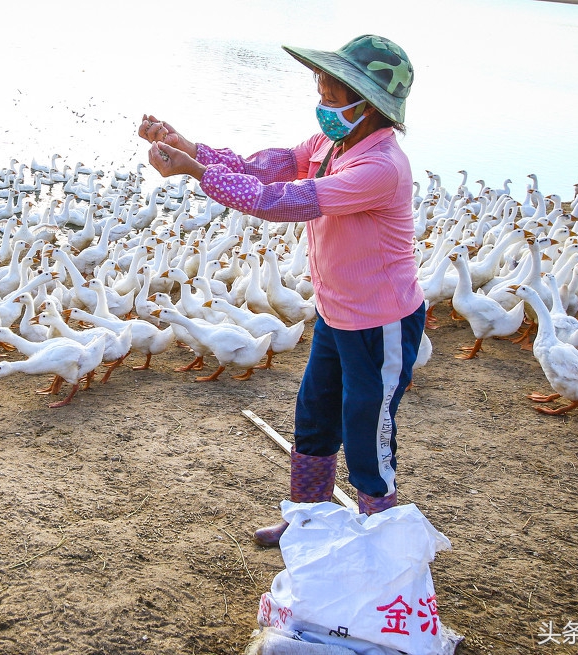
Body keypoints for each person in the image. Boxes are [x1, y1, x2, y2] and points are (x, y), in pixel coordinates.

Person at [137, 35, 425, 547]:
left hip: (380, 322)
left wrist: (197, 172)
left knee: (367, 431)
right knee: (314, 417)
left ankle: (380, 540)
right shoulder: (331, 145)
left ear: (369, 105)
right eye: (322, 93)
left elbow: (281, 201)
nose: (322, 105)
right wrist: (189, 147)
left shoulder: (380, 168)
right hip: (335, 314)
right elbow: (262, 169)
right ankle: (307, 520)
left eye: (332, 97)